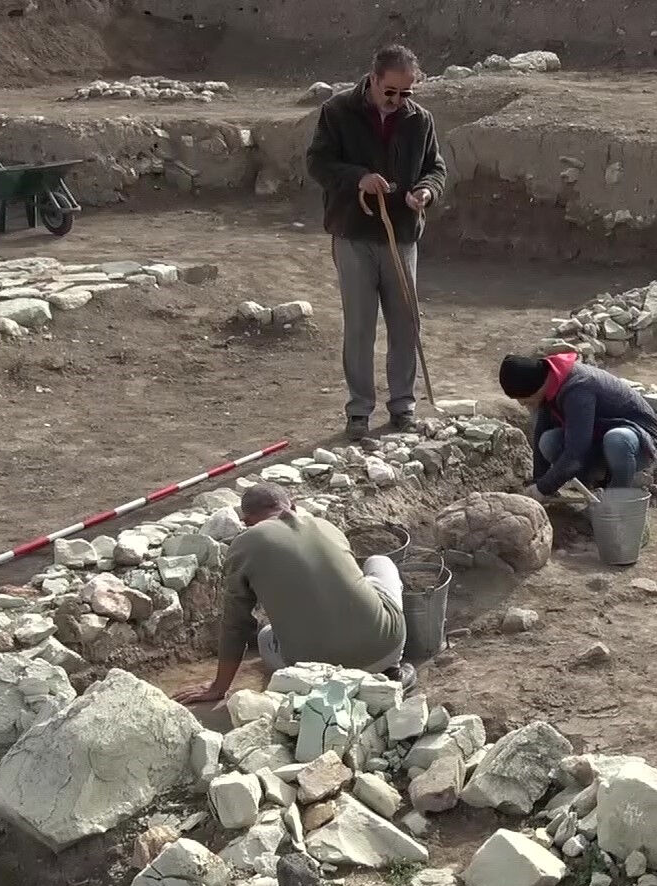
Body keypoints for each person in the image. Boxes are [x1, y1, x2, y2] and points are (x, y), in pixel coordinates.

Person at [305, 44, 448, 439]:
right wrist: (358, 178)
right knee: (360, 326)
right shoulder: (337, 111)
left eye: (406, 93)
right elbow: (317, 162)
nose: (397, 101)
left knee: (405, 324)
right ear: (373, 80)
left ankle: (403, 406)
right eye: (390, 92)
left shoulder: (420, 120)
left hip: (401, 236)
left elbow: (435, 168)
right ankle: (359, 411)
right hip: (354, 234)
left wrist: (426, 191)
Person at [175, 484, 407, 705]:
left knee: (265, 637)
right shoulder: (326, 526)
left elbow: (236, 626)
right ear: (292, 506)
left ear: (247, 522)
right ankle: (392, 671)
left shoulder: (244, 544)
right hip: (386, 649)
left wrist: (219, 687)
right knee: (379, 562)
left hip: (318, 675)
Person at [499, 351, 657, 499]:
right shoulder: (551, 379)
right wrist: (538, 481)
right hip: (600, 437)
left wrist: (542, 489)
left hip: (639, 440)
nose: (522, 404)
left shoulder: (578, 388)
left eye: (523, 399)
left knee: (617, 439)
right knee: (548, 441)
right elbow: (542, 429)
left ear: (534, 387)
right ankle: (591, 486)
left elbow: (575, 453)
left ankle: (616, 501)